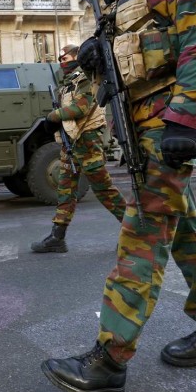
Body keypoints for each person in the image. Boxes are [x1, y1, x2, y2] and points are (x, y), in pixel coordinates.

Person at [41, 0, 196, 392]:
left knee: (144, 234)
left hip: (165, 125)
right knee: (183, 231)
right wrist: (95, 47)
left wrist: (185, 117)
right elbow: (126, 58)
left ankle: (109, 360)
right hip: (140, 125)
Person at [31, 43, 126, 253]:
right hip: (72, 142)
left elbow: (81, 108)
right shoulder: (66, 85)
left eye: (64, 58)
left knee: (104, 190)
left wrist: (53, 116)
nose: (61, 62)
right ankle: (57, 237)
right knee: (65, 189)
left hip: (87, 141)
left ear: (75, 57)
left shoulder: (84, 78)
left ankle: (135, 232)